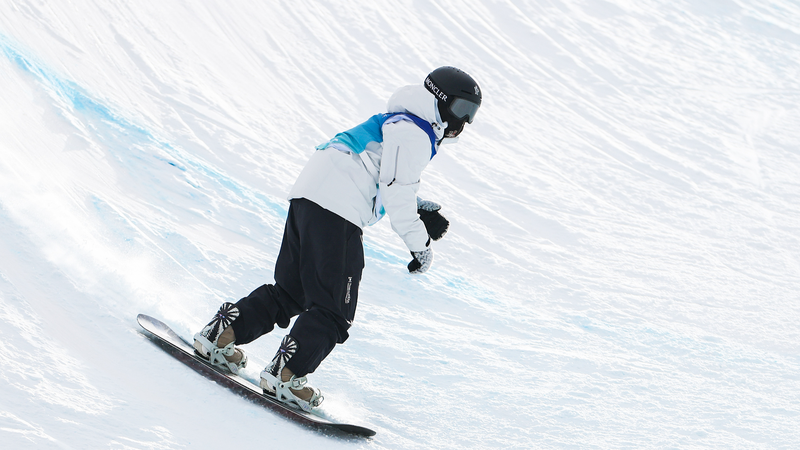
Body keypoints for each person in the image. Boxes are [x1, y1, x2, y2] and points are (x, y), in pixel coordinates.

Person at [192, 66, 482, 412]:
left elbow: (375, 171)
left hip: (309, 196)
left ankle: (221, 334)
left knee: (291, 292)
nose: (463, 123)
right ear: (442, 100)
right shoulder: (416, 133)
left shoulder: (399, 119)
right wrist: (420, 245)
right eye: (462, 110)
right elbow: (395, 189)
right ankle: (286, 375)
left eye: (472, 114)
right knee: (334, 310)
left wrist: (415, 207)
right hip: (338, 210)